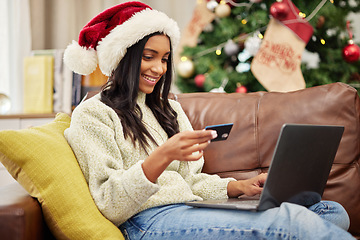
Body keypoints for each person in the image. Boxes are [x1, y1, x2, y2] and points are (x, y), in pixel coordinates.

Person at [64, 2, 354, 239]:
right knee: (295, 223)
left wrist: (237, 187)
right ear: (122, 57)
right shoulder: (93, 114)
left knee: (328, 211)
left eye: (164, 59)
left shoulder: (168, 110)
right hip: (146, 221)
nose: (159, 68)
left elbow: (191, 182)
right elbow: (111, 203)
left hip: (188, 208)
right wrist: (162, 156)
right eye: (149, 57)